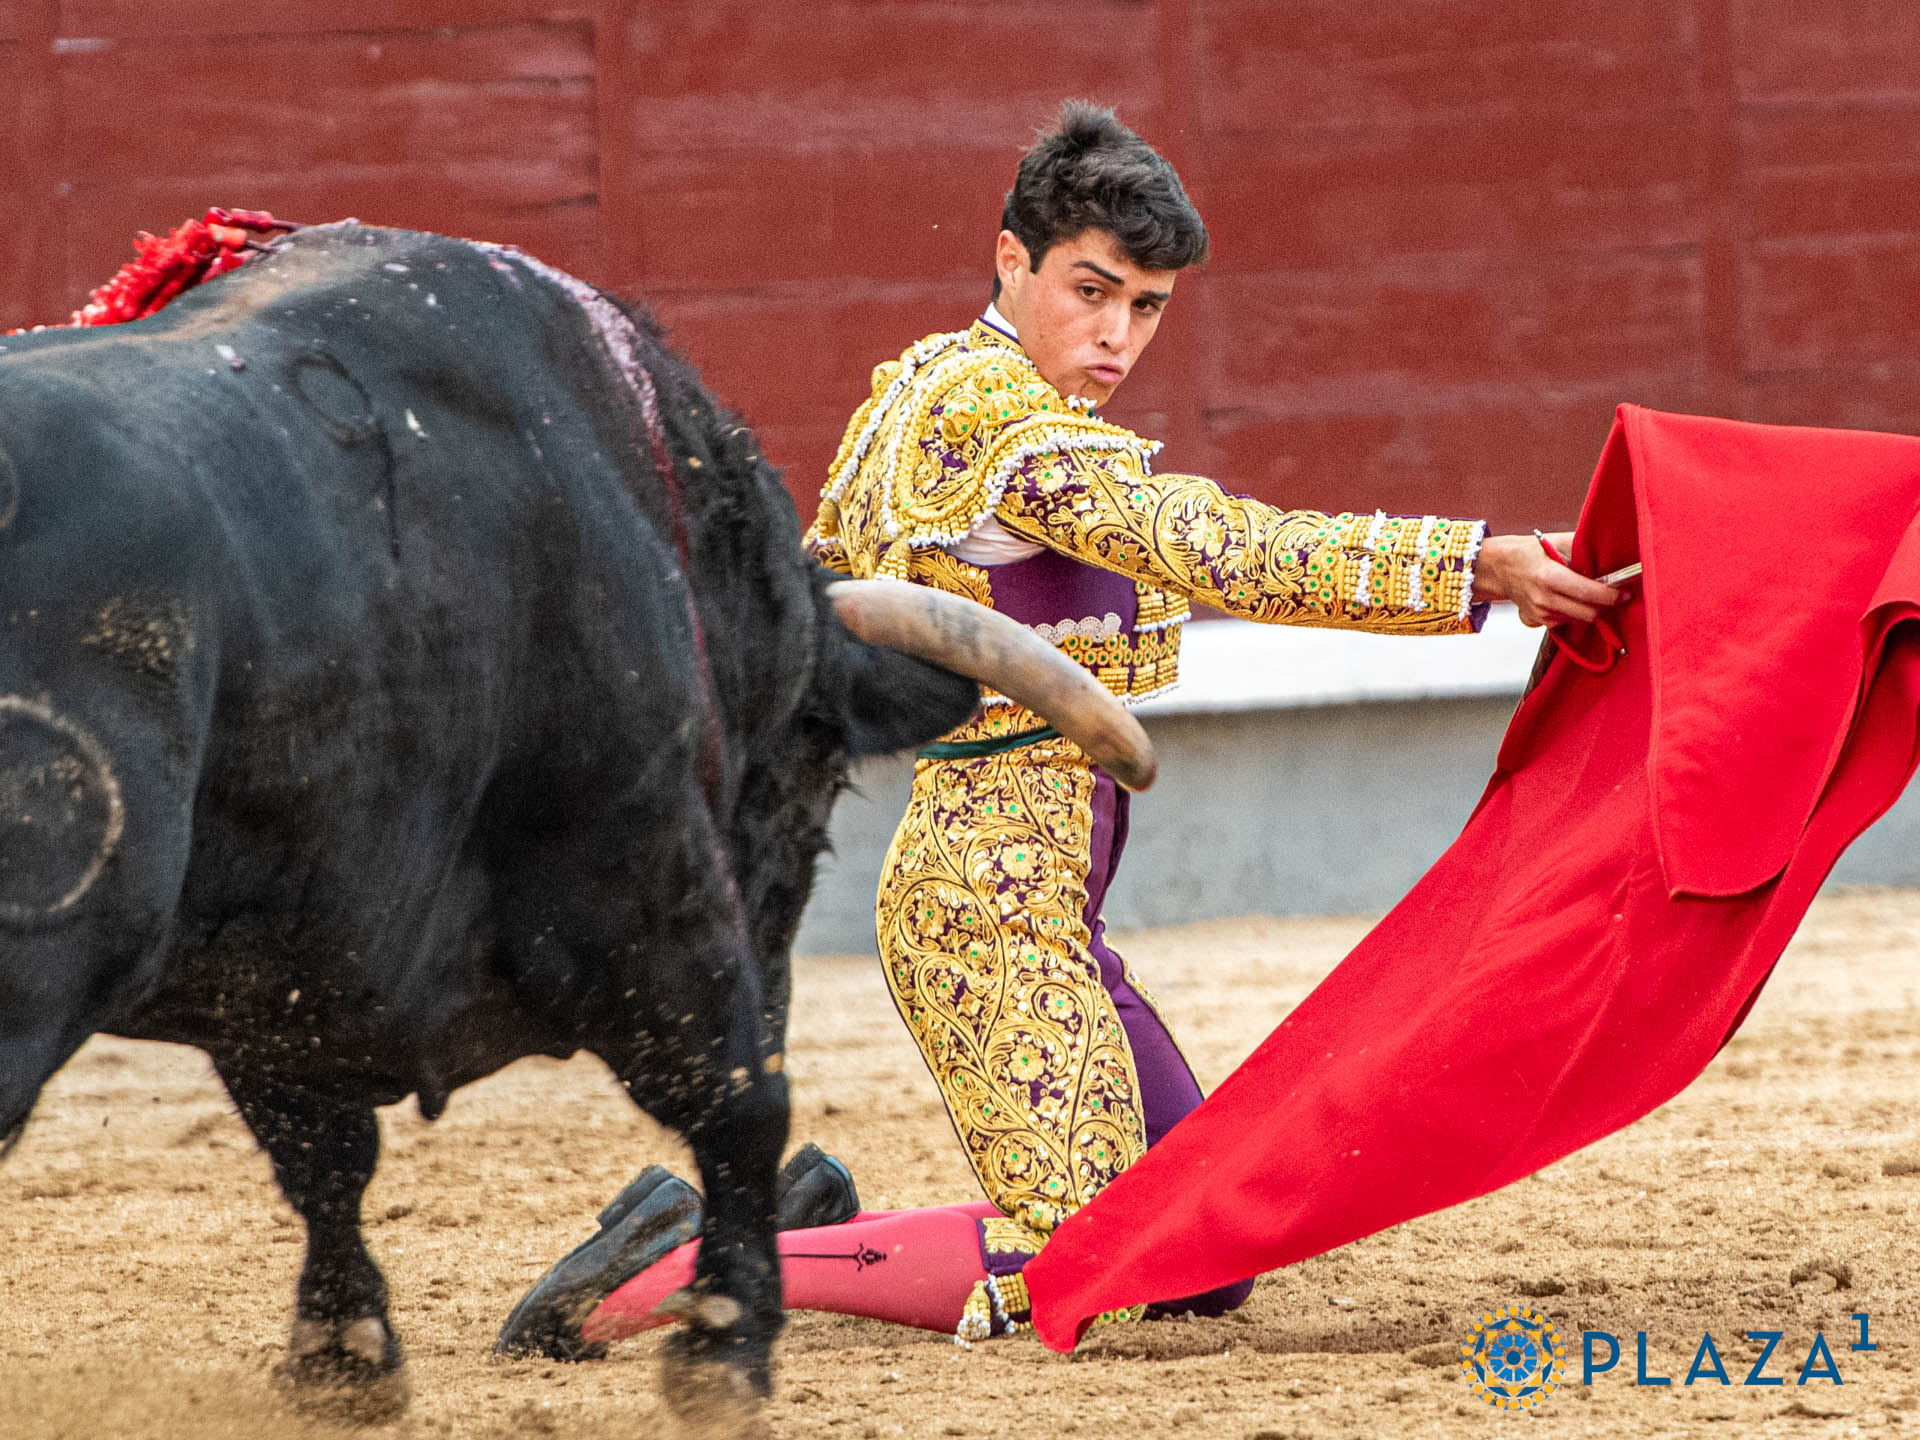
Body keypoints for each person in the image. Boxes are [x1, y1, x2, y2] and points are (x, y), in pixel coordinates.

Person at [500, 99, 1620, 1356]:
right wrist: (1472, 566)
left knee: (1203, 1244)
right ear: (1010, 257)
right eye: (1092, 290)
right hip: (987, 893)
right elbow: (1209, 546)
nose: (1117, 335)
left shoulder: (927, 387)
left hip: (1039, 891)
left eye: (1147, 307)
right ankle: (699, 1257)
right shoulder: (996, 421)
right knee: (1090, 1264)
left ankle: (800, 1218)